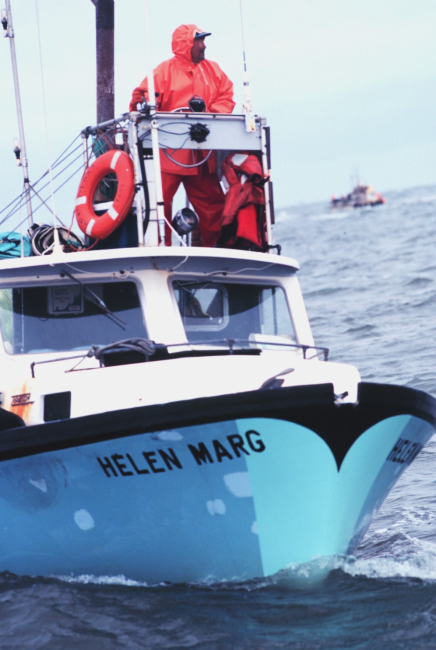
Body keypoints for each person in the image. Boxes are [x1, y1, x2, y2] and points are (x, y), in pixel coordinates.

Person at [129, 24, 235, 247]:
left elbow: (226, 95)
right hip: (169, 156)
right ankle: (161, 251)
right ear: (186, 44)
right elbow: (140, 100)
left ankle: (217, 253)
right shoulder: (162, 72)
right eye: (199, 41)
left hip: (202, 154)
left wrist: (209, 116)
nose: (204, 46)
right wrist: (144, 108)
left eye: (203, 41)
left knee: (213, 206)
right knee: (159, 206)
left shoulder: (213, 70)